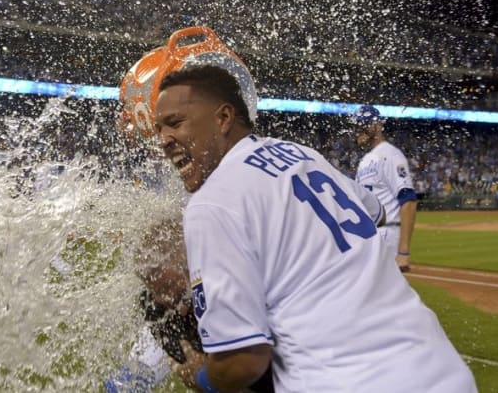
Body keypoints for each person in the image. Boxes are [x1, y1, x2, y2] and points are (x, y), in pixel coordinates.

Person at [153, 65, 476, 392]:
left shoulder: (211, 203)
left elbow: (243, 362)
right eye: (158, 129)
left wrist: (201, 377)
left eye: (175, 123)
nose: (163, 140)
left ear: (223, 118)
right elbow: (374, 212)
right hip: (444, 371)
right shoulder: (301, 154)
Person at [105, 219, 274, 393]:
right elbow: (194, 377)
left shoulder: (234, 286)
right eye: (159, 291)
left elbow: (251, 369)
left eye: (172, 285)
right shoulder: (155, 308)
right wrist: (203, 379)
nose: (171, 301)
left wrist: (205, 378)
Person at [353, 105, 417, 273]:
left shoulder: (390, 154)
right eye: (357, 126)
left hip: (388, 234)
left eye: (365, 124)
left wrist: (403, 252)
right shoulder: (365, 160)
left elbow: (408, 201)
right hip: (370, 236)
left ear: (378, 125)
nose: (360, 130)